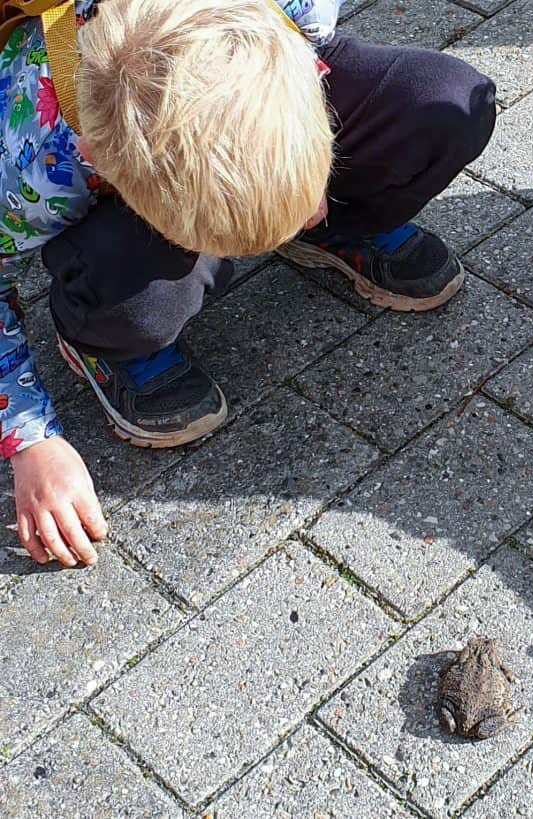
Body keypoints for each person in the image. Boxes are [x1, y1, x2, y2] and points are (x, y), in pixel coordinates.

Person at [1, 0, 495, 568]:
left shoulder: (291, 10)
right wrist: (31, 443)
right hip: (67, 160)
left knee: (442, 102)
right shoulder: (28, 166)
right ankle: (109, 338)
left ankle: (329, 224)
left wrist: (296, 156)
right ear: (100, 164)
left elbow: (309, 39)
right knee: (139, 297)